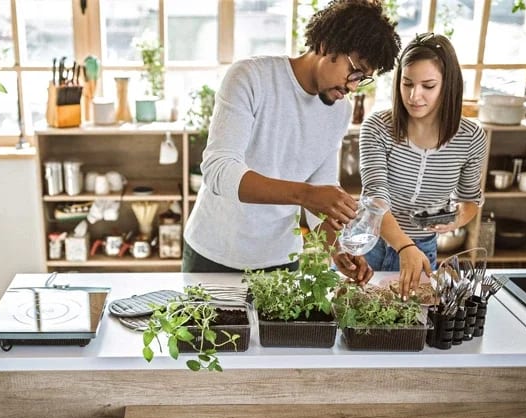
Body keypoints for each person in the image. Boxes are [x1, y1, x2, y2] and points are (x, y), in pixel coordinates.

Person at [182, 0, 401, 284]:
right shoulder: (250, 77)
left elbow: (321, 188)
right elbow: (219, 170)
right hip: (213, 255)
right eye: (355, 72)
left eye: (363, 79)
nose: (353, 86)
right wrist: (307, 195)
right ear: (327, 44)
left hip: (281, 262)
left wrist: (336, 247)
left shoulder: (340, 111)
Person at [359, 32, 487, 298]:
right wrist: (404, 246)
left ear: (448, 85)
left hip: (422, 251)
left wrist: (453, 220)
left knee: (409, 330)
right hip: (370, 245)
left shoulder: (471, 138)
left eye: (428, 86)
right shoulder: (377, 127)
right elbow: (375, 196)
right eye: (407, 84)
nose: (414, 96)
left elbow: (470, 200)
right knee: (361, 325)